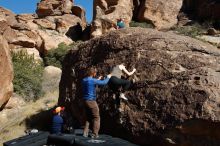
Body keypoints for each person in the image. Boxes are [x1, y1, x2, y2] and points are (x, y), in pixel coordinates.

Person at [82, 67, 111, 138]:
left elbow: (90, 83)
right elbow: (104, 83)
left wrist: (97, 80)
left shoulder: (84, 80)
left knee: (88, 117)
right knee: (96, 117)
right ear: (94, 73)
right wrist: (108, 77)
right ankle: (95, 134)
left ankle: (85, 133)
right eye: (95, 73)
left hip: (85, 100)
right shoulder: (92, 80)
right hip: (91, 101)